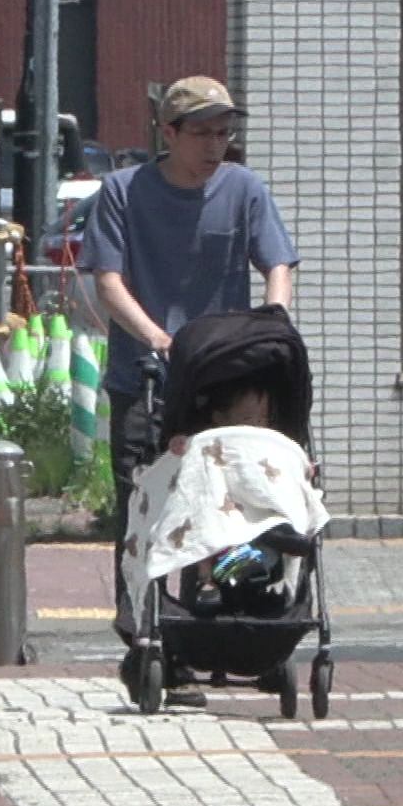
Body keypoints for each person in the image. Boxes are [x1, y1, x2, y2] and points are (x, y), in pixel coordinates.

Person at [81, 76, 300, 687]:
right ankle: (147, 633)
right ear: (168, 133)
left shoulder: (244, 190)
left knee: (223, 503)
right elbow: (107, 280)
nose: (214, 146)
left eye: (224, 133)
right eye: (202, 133)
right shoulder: (124, 192)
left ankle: (217, 616)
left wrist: (273, 319)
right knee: (146, 502)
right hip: (144, 374)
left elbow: (277, 262)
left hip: (221, 375)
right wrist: (155, 335)